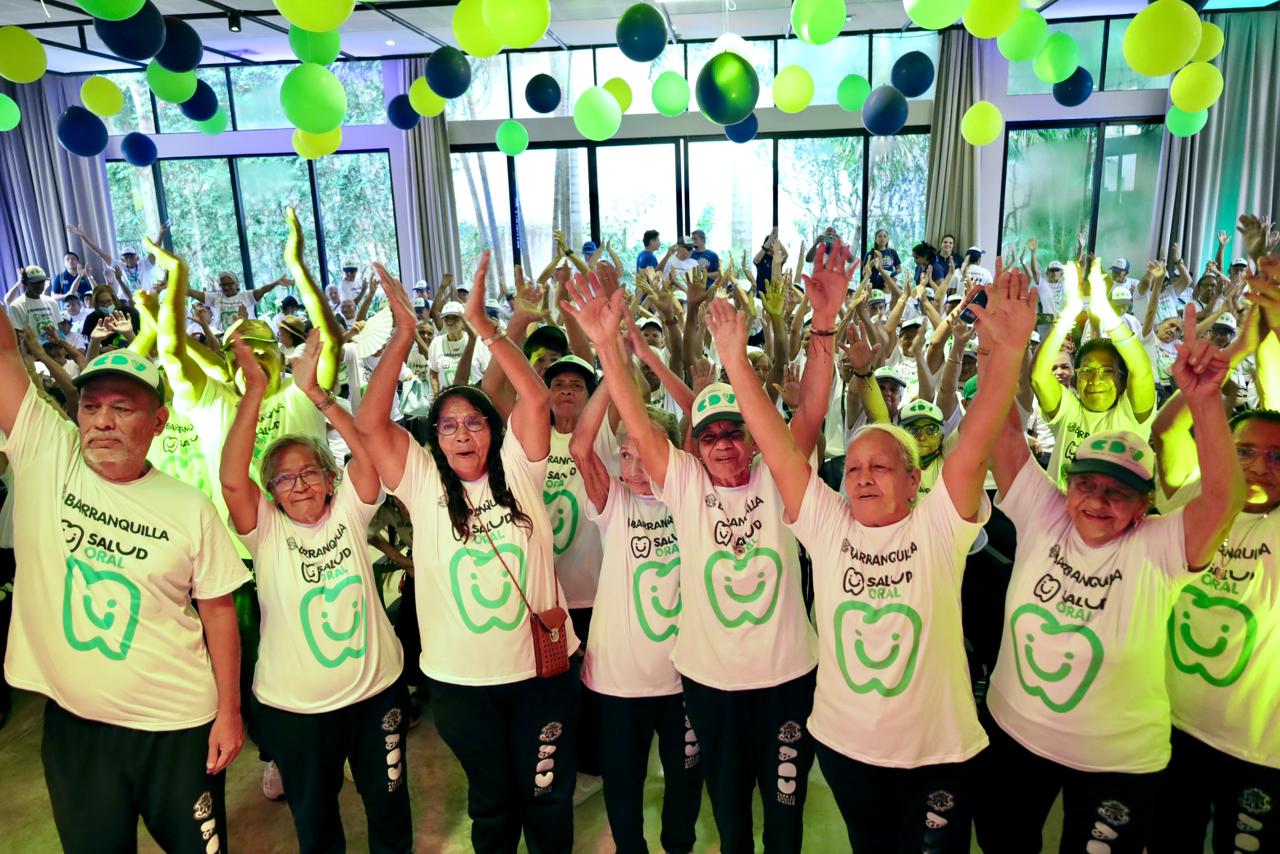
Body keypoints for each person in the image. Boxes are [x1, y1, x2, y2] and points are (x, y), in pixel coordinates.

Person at [706, 261, 1037, 852]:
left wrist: (1005, 353)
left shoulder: (941, 524)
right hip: (846, 748)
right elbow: (780, 448)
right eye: (854, 468)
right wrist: (738, 357)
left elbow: (979, 436)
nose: (862, 478)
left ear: (913, 482)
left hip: (939, 753)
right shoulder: (829, 526)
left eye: (880, 466)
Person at [564, 245, 842, 854]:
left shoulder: (778, 476)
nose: (721, 443)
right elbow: (637, 422)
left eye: (733, 432)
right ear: (696, 444)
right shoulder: (684, 486)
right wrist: (610, 348)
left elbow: (813, 410)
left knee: (786, 810)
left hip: (788, 680)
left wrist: (824, 323)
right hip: (711, 687)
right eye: (708, 434)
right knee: (731, 813)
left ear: (751, 437)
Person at [975, 303, 1244, 853]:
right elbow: (1001, 432)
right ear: (1067, 483)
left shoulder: (1159, 546)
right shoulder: (1045, 513)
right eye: (1086, 483)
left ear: (1145, 506)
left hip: (1117, 762)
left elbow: (1223, 499)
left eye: (1117, 490)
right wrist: (1000, 349)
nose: (1096, 499)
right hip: (1014, 737)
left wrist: (1204, 401)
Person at [355, 251, 581, 854]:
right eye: (448, 425)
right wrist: (403, 336)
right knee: (494, 804)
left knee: (548, 796)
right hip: (461, 686)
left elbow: (532, 402)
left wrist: (489, 326)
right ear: (435, 438)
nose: (461, 433)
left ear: (492, 430)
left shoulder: (521, 471)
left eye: (474, 422)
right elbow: (371, 423)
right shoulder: (424, 484)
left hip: (541, 675)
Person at [0, 305, 248, 852]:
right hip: (78, 730)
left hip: (179, 729)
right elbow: (2, 352)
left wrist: (229, 713)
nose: (102, 421)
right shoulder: (48, 453)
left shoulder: (189, 506)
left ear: (159, 422)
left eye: (122, 408)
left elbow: (218, 611)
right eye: (90, 407)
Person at [220, 329, 411, 853]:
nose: (299, 484)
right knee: (316, 817)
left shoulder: (350, 512)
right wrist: (254, 395)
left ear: (330, 479)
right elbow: (233, 482)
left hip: (377, 697)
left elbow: (368, 456)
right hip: (295, 712)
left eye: (309, 473)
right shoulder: (266, 531)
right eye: (284, 479)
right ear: (273, 493)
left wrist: (318, 397)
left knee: (389, 806)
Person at [570, 375, 704, 854]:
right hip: (617, 683)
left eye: (643, 451)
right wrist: (612, 372)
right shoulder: (614, 503)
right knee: (622, 785)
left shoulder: (692, 499)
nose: (633, 463)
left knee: (687, 781)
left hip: (684, 678)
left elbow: (696, 434)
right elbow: (581, 447)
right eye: (625, 453)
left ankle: (679, 845)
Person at [1031, 259, 1156, 487]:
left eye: (1107, 371)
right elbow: (1039, 376)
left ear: (1121, 380)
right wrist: (1066, 318)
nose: (1095, 379)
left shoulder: (1132, 414)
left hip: (1112, 517)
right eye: (1087, 371)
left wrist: (1107, 314)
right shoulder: (1069, 409)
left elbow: (1142, 370)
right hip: (1060, 516)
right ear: (1077, 378)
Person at [187, 271, 288, 333]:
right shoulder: (216, 297)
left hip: (248, 335)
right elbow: (195, 293)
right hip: (226, 338)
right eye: (223, 285)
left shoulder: (246, 296)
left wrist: (276, 283)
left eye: (230, 284)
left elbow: (262, 290)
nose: (227, 287)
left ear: (237, 284)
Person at [7, 265, 61, 339]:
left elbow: (60, 330)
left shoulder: (51, 302)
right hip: (34, 349)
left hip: (55, 347)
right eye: (36, 283)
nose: (40, 286)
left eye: (42, 282)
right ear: (25, 283)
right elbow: (17, 336)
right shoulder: (16, 306)